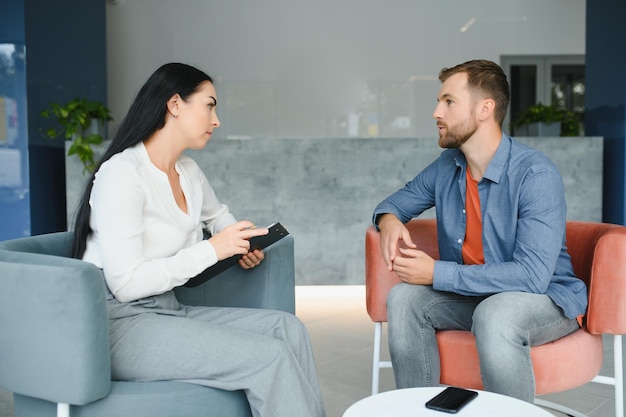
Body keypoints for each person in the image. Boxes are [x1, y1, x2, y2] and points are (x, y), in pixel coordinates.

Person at [71, 62, 326, 417]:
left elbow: (218, 215)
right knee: (270, 356)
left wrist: (239, 239)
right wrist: (211, 248)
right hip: (119, 323)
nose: (216, 119)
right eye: (209, 105)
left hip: (168, 309)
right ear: (175, 104)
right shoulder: (122, 174)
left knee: (288, 329)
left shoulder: (187, 171)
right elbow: (126, 284)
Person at [372, 59, 587, 403]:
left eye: (448, 101)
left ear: (485, 109)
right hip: (477, 295)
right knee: (403, 298)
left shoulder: (535, 174)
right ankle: (417, 410)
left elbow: (532, 277)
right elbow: (393, 204)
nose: (435, 112)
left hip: (545, 299)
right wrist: (389, 221)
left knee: (495, 313)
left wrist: (436, 272)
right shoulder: (448, 166)